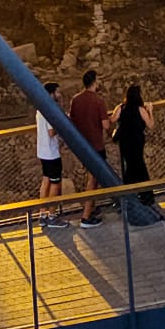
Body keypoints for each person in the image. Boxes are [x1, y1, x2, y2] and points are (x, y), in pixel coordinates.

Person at [67, 70, 110, 226]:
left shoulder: (75, 100)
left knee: (92, 178)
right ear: (95, 81)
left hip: (83, 145)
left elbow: (72, 120)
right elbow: (105, 124)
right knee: (93, 180)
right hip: (96, 145)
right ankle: (86, 217)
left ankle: (91, 208)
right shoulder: (98, 101)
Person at [36, 82, 69, 228]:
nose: (59, 94)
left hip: (43, 151)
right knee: (56, 183)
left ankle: (42, 214)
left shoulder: (40, 108)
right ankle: (52, 216)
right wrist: (61, 124)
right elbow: (51, 132)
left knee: (46, 181)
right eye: (57, 92)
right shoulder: (49, 109)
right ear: (52, 93)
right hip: (51, 152)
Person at [113, 84, 156, 184]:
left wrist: (116, 110)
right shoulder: (140, 109)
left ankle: (130, 192)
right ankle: (145, 193)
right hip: (137, 141)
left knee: (130, 165)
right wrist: (150, 111)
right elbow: (151, 125)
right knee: (139, 164)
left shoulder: (121, 107)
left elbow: (112, 119)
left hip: (124, 141)